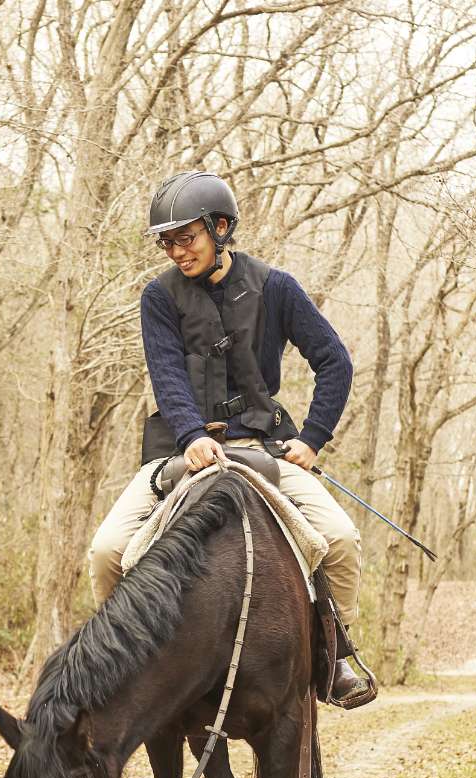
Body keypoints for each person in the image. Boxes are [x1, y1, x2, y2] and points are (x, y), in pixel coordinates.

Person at [84, 171, 377, 708]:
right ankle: (119, 665)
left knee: (340, 539)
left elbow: (334, 361)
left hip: (260, 448)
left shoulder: (276, 287)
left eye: (186, 237)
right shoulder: (159, 297)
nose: (176, 251)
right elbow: (166, 374)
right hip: (180, 453)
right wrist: (191, 434)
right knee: (106, 552)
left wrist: (312, 439)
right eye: (166, 242)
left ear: (220, 228)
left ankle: (332, 657)